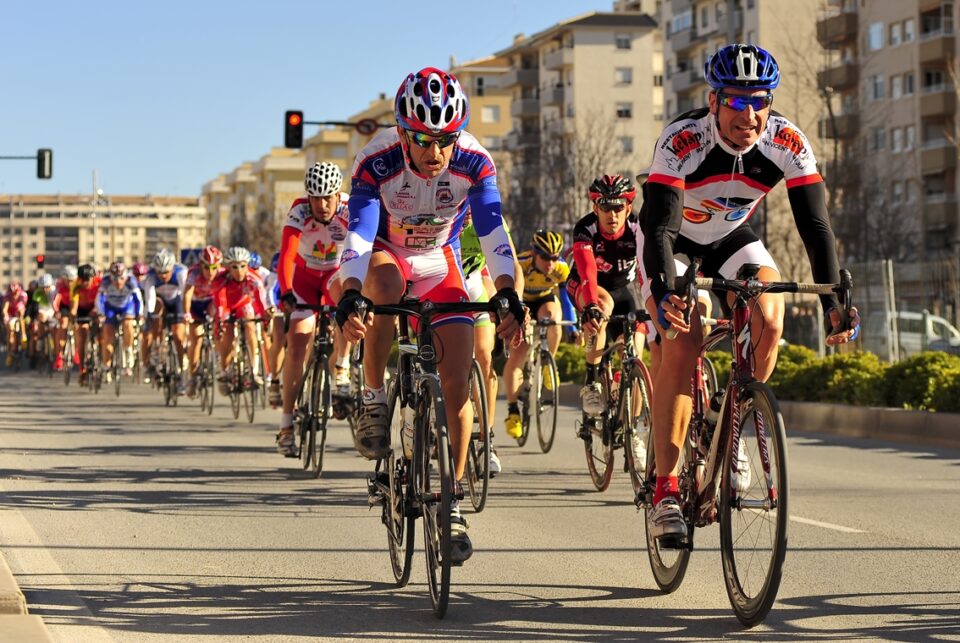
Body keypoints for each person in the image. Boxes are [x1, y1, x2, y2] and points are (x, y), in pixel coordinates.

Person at [641, 43, 860, 542]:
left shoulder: (786, 139)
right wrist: (665, 290)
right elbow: (660, 229)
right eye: (737, 102)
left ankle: (732, 418)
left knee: (772, 315)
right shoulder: (682, 139)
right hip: (671, 240)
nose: (749, 113)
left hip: (730, 236)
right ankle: (666, 491)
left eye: (759, 100)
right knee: (682, 339)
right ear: (714, 101)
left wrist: (832, 301)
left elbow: (815, 225)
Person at [337, 67, 525, 565]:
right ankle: (374, 395)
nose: (434, 151)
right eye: (422, 139)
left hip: (439, 259)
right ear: (402, 132)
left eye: (445, 138)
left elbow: (491, 226)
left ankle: (452, 498)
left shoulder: (474, 161)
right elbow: (360, 230)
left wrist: (507, 289)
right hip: (385, 254)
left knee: (457, 380)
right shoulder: (376, 160)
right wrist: (351, 290)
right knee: (384, 286)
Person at [275, 162, 350, 457]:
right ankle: (286, 425)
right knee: (298, 343)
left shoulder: (348, 209)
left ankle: (342, 368)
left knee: (345, 301)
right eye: (315, 198)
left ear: (338, 194)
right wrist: (286, 291)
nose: (321, 205)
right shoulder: (299, 211)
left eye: (327, 197)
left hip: (334, 274)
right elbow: (287, 255)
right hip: (305, 280)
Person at [568, 176, 647, 423]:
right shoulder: (585, 229)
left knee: (635, 359)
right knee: (601, 308)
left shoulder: (638, 228)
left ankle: (630, 428)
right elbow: (588, 272)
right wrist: (590, 305)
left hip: (625, 290)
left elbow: (649, 268)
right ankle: (592, 382)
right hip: (587, 287)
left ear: (628, 208)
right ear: (595, 208)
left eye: (618, 207)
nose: (612, 215)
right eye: (605, 207)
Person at [502, 229, 577, 441]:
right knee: (519, 354)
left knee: (554, 318)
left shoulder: (561, 269)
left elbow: (566, 300)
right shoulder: (523, 263)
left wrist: (573, 329)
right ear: (534, 253)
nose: (550, 263)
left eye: (554, 258)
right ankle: (513, 411)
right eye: (545, 257)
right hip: (522, 303)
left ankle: (547, 364)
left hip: (543, 301)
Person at [209, 247, 268, 395]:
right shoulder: (221, 280)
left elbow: (261, 304)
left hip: (243, 304)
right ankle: (224, 370)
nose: (239, 271)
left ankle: (253, 369)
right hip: (227, 307)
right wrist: (221, 321)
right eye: (234, 267)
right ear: (228, 267)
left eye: (243, 266)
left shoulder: (254, 279)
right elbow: (220, 303)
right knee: (227, 339)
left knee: (250, 327)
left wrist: (265, 318)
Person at [141, 249, 189, 394]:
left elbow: (185, 294)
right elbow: (150, 299)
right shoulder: (150, 277)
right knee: (155, 315)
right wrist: (149, 317)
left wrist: (185, 315)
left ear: (172, 268)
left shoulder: (181, 273)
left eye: (166, 272)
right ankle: (157, 349)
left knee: (178, 336)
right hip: (160, 301)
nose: (162, 276)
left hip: (176, 301)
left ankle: (182, 371)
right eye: (159, 272)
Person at [183, 246, 224, 396]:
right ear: (201, 265)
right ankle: (193, 377)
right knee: (196, 340)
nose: (210, 272)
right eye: (206, 267)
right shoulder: (194, 273)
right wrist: (187, 313)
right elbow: (187, 295)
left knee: (219, 329)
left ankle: (220, 362)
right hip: (195, 304)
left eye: (214, 267)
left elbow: (224, 296)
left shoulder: (222, 274)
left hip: (210, 303)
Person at [96, 262, 143, 379]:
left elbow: (138, 300)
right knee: (107, 336)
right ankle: (106, 365)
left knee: (128, 323)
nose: (118, 282)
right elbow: (99, 299)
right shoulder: (105, 281)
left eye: (121, 278)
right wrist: (101, 313)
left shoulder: (131, 281)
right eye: (115, 279)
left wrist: (139, 314)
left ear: (126, 276)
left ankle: (128, 350)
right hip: (110, 307)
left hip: (127, 307)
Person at [70, 264, 102, 385]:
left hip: (95, 307)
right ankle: (82, 369)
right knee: (81, 336)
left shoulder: (99, 284)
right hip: (82, 309)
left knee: (102, 329)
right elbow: (74, 306)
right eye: (82, 280)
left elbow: (103, 300)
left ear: (93, 278)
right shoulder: (75, 286)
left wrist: (97, 311)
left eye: (87, 280)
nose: (84, 283)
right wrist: (73, 316)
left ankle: (101, 355)